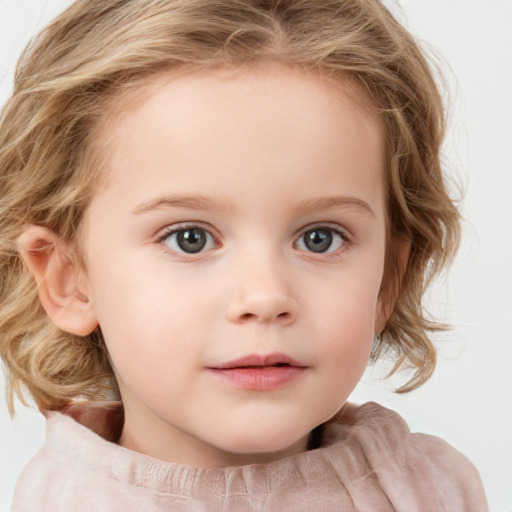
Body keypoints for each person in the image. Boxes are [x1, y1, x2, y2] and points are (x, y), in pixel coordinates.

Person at [0, 0, 488, 510]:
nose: (265, 297)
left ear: (387, 279)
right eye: (189, 237)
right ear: (69, 279)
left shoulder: (436, 490)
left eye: (320, 237)